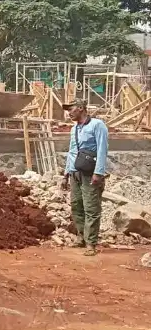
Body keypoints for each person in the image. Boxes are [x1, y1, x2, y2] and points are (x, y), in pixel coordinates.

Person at [61, 98, 109, 255]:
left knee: (91, 207)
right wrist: (66, 174)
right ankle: (81, 237)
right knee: (76, 206)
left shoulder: (97, 125)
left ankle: (91, 243)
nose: (69, 113)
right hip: (75, 172)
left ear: (80, 108)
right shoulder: (74, 129)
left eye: (71, 109)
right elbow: (71, 152)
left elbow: (102, 149)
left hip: (90, 174)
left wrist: (98, 172)